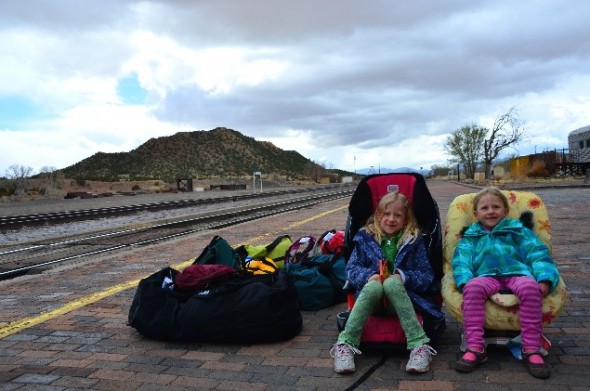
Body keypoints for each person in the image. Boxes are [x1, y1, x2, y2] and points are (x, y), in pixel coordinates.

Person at [452, 186, 560, 379]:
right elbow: (461, 260)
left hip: (517, 273)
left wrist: (544, 278)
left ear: (506, 210)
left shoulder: (518, 231)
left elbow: (537, 253)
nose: (491, 211)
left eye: (496, 207)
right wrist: (465, 281)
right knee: (473, 288)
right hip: (485, 276)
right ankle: (476, 346)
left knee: (529, 288)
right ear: (476, 214)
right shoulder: (471, 236)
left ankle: (531, 348)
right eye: (485, 208)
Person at [331, 191, 442, 374]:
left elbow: (426, 274)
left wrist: (403, 277)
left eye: (398, 215)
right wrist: (369, 276)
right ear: (378, 215)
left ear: (406, 219)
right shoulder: (364, 239)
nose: (391, 219)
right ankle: (345, 344)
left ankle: (419, 345)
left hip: (402, 299)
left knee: (391, 283)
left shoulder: (414, 241)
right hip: (371, 298)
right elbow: (351, 269)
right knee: (375, 285)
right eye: (386, 214)